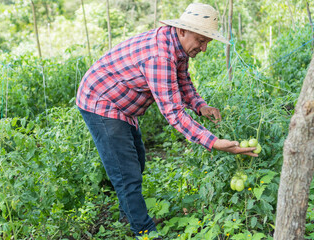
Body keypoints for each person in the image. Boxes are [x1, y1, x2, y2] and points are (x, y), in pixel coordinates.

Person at [76, 2, 258, 238]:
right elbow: (173, 113)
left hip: (122, 107)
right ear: (182, 30)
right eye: (201, 41)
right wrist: (213, 142)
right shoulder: (160, 55)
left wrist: (200, 106)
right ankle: (145, 230)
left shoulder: (178, 47)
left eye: (207, 43)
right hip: (101, 102)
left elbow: (183, 81)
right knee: (126, 172)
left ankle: (128, 212)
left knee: (137, 159)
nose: (203, 49)